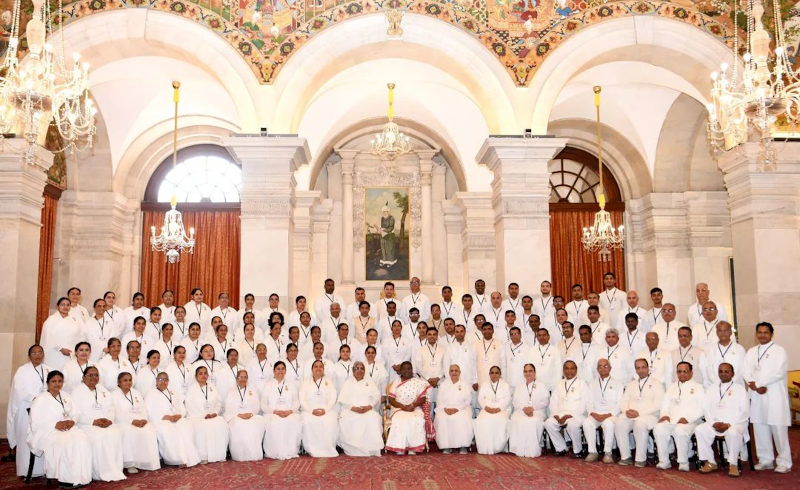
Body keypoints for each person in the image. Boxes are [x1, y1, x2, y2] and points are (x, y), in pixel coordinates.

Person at [28, 370, 93, 486]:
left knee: (82, 440)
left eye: (59, 381)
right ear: (48, 383)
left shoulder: (66, 396)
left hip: (68, 428)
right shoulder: (40, 399)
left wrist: (72, 421)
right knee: (66, 443)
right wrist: (54, 425)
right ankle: (65, 479)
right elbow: (36, 421)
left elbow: (76, 412)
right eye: (53, 381)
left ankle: (81, 477)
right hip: (48, 431)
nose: (57, 384)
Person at [744, 322, 792, 473]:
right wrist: (752, 383)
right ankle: (766, 460)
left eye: (765, 332)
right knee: (759, 426)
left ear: (772, 334)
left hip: (774, 395)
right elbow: (745, 370)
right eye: (759, 332)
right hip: (757, 395)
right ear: (756, 334)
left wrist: (759, 383)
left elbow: (779, 372)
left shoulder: (779, 351)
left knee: (778, 428)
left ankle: (784, 462)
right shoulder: (751, 351)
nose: (762, 335)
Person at [70, 366, 126, 481]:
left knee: (115, 433)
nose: (93, 377)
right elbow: (76, 413)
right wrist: (93, 421)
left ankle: (115, 469)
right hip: (86, 425)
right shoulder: (77, 392)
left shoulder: (102, 389)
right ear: (83, 377)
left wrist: (109, 419)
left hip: (105, 422)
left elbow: (111, 407)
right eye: (90, 375)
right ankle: (99, 472)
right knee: (99, 436)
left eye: (96, 375)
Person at [696, 363, 749, 477]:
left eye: (726, 371)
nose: (723, 374)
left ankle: (733, 464)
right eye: (721, 371)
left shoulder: (740, 389)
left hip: (736, 423)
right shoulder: (712, 388)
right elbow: (706, 408)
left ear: (733, 373)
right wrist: (713, 422)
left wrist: (729, 424)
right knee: (700, 429)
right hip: (716, 423)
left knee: (733, 432)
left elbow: (744, 411)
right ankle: (710, 461)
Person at [653, 361, 705, 471]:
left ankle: (683, 462)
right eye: (679, 371)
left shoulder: (698, 387)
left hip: (692, 421)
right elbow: (665, 403)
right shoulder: (672, 387)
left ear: (691, 373)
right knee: (658, 428)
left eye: (685, 371)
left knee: (680, 430)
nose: (682, 374)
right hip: (672, 420)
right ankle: (664, 461)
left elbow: (702, 408)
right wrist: (664, 415)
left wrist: (688, 418)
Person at [7, 345, 49, 477]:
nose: (37, 355)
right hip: (26, 409)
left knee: (43, 437)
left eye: (40, 352)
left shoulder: (48, 369)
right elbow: (19, 389)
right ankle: (26, 470)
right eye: (34, 352)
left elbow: (54, 385)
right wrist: (36, 398)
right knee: (26, 439)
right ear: (29, 355)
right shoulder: (22, 370)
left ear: (43, 354)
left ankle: (43, 470)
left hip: (44, 409)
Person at [615, 358, 665, 467]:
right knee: (619, 423)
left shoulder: (657, 384)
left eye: (643, 367)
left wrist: (639, 413)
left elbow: (658, 404)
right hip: (631, 414)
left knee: (639, 425)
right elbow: (624, 401)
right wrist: (626, 411)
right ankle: (625, 456)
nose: (641, 370)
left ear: (648, 368)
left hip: (649, 415)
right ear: (635, 370)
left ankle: (640, 458)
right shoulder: (631, 384)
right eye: (638, 368)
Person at [144, 372, 200, 467]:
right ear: (156, 381)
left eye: (165, 379)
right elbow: (149, 411)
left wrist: (179, 415)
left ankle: (190, 457)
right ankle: (178, 459)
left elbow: (181, 406)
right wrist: (164, 417)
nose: (163, 382)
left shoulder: (173, 392)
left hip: (175, 418)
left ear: (168, 381)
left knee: (185, 425)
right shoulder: (151, 394)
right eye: (161, 379)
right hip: (161, 421)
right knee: (169, 430)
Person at [111, 372, 160, 474]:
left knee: (149, 431)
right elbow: (116, 413)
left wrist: (144, 419)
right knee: (130, 432)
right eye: (125, 380)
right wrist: (131, 421)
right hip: (123, 422)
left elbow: (144, 408)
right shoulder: (114, 395)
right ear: (119, 382)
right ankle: (131, 463)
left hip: (140, 420)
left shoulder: (136, 393)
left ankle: (146, 461)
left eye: (130, 380)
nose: (128, 382)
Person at [336, 361, 384, 456]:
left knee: (373, 418)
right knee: (346, 419)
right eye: (357, 368)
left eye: (362, 368)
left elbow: (376, 396)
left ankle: (371, 449)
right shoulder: (348, 382)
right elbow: (342, 399)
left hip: (367, 409)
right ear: (353, 371)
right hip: (351, 410)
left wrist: (369, 406)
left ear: (365, 371)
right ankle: (354, 449)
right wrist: (353, 408)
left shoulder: (369, 382)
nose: (359, 370)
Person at [385, 361, 432, 455]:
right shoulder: (396, 382)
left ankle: (413, 448)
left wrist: (412, 406)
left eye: (409, 368)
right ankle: (400, 447)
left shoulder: (418, 382)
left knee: (416, 419)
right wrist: (403, 407)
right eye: (404, 369)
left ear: (412, 370)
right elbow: (391, 399)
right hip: (398, 408)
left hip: (415, 408)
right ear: (400, 371)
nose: (407, 371)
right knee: (400, 419)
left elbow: (423, 399)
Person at [184, 366, 228, 464]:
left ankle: (218, 455)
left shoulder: (212, 387)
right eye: (200, 373)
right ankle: (203, 456)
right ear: (196, 376)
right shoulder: (192, 389)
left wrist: (214, 413)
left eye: (205, 373)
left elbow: (218, 402)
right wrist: (203, 415)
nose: (203, 375)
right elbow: (190, 405)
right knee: (202, 426)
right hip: (197, 417)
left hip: (212, 415)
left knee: (221, 423)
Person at [544, 361, 589, 458]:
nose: (569, 371)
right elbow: (553, 401)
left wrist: (570, 415)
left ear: (576, 370)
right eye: (566, 368)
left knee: (572, 425)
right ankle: (561, 448)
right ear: (563, 370)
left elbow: (584, 404)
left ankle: (578, 450)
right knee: (548, 423)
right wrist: (555, 414)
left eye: (572, 368)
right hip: (560, 414)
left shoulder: (582, 384)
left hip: (577, 415)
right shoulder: (560, 383)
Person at [583, 358, 623, 463]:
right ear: (597, 369)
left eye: (605, 366)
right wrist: (592, 413)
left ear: (610, 368)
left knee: (608, 424)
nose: (603, 369)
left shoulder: (618, 384)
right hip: (596, 413)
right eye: (600, 366)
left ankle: (608, 453)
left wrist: (609, 414)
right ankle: (592, 452)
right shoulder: (592, 384)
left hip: (611, 415)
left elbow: (620, 403)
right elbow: (588, 402)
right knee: (587, 423)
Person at [261, 361, 302, 460]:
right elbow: (263, 404)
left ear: (285, 371)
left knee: (293, 420)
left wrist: (290, 411)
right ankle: (274, 451)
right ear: (274, 371)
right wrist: (274, 411)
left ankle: (290, 451)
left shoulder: (291, 385)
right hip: (273, 413)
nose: (280, 371)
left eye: (282, 369)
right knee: (275, 422)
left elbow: (297, 402)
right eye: (278, 369)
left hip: (289, 413)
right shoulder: (268, 385)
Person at [299, 360, 339, 457]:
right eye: (316, 366)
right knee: (307, 420)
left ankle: (328, 448)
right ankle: (313, 449)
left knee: (330, 420)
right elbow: (302, 399)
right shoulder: (305, 382)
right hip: (309, 411)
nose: (318, 368)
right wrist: (311, 410)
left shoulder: (328, 381)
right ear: (312, 369)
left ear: (323, 369)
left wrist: (325, 410)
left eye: (320, 366)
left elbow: (333, 397)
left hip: (326, 410)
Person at [509, 363, 549, 458]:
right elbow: (515, 401)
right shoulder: (520, 386)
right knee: (516, 419)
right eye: (526, 371)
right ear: (523, 373)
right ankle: (518, 449)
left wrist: (533, 408)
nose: (528, 373)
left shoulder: (542, 385)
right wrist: (524, 408)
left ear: (535, 372)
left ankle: (532, 450)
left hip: (538, 411)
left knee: (532, 421)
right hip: (521, 410)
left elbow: (545, 401)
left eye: (530, 371)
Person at [223, 370, 265, 461]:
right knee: (239, 425)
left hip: (250, 416)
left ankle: (253, 454)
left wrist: (250, 414)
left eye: (245, 377)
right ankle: (240, 455)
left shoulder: (252, 390)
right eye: (241, 377)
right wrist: (239, 415)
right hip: (236, 416)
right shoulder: (231, 391)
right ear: (237, 378)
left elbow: (256, 405)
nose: (243, 379)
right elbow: (228, 406)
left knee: (255, 423)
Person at [434, 364, 474, 454]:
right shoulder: (443, 384)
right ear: (449, 373)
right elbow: (439, 399)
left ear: (460, 372)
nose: (454, 373)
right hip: (445, 408)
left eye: (456, 371)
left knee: (462, 418)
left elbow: (468, 400)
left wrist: (457, 409)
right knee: (442, 419)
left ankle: (463, 446)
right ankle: (446, 446)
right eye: (452, 371)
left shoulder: (465, 384)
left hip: (461, 408)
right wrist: (445, 409)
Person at [474, 365, 511, 454]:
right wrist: (487, 408)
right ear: (489, 374)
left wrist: (498, 409)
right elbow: (480, 399)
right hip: (487, 409)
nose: (494, 375)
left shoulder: (505, 385)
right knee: (481, 420)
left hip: (501, 410)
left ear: (500, 374)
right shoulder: (484, 384)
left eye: (496, 373)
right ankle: (485, 448)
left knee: (500, 420)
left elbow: (507, 399)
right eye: (492, 373)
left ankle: (498, 447)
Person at [40, 296, 82, 370]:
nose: (65, 307)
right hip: (54, 353)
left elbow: (79, 336)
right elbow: (48, 337)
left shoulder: (74, 320)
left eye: (68, 305)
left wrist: (74, 350)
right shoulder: (51, 320)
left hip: (70, 354)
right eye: (63, 305)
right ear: (58, 306)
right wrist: (60, 348)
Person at [699, 321, 745, 388]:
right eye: (720, 331)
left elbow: (741, 369)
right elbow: (708, 369)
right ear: (717, 333)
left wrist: (729, 382)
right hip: (715, 386)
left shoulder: (739, 349)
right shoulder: (710, 350)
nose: (723, 333)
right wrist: (718, 383)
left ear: (730, 332)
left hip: (735, 386)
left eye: (725, 330)